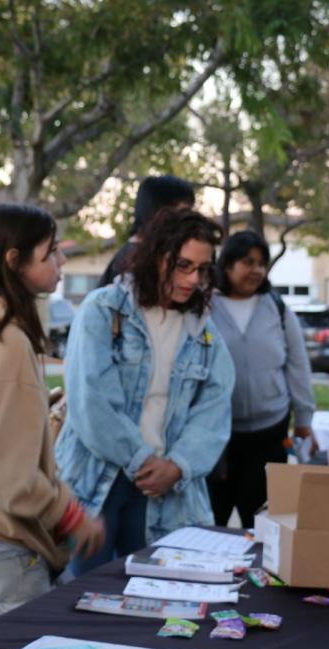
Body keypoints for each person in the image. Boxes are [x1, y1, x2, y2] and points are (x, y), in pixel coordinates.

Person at [0, 204, 105, 629]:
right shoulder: (7, 341)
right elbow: (10, 479)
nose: (62, 261)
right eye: (50, 253)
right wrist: (73, 518)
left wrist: (33, 411)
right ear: (14, 260)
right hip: (3, 543)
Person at [56, 207, 234, 575]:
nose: (193, 279)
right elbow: (91, 401)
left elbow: (214, 410)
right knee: (80, 600)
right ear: (156, 256)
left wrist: (178, 465)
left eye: (201, 269)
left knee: (153, 601)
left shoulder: (204, 331)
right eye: (183, 265)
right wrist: (141, 461)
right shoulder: (103, 311)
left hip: (165, 489)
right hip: (97, 481)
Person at [206, 229, 315, 528]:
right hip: (219, 440)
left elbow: (297, 365)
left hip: (269, 434)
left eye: (261, 263)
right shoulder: (205, 308)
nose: (256, 270)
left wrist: (304, 420)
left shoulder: (277, 309)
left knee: (264, 528)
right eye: (247, 262)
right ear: (227, 265)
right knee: (212, 524)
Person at [96, 175, 196, 288]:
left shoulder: (139, 252)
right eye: (184, 211)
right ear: (160, 212)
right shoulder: (134, 260)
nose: (190, 219)